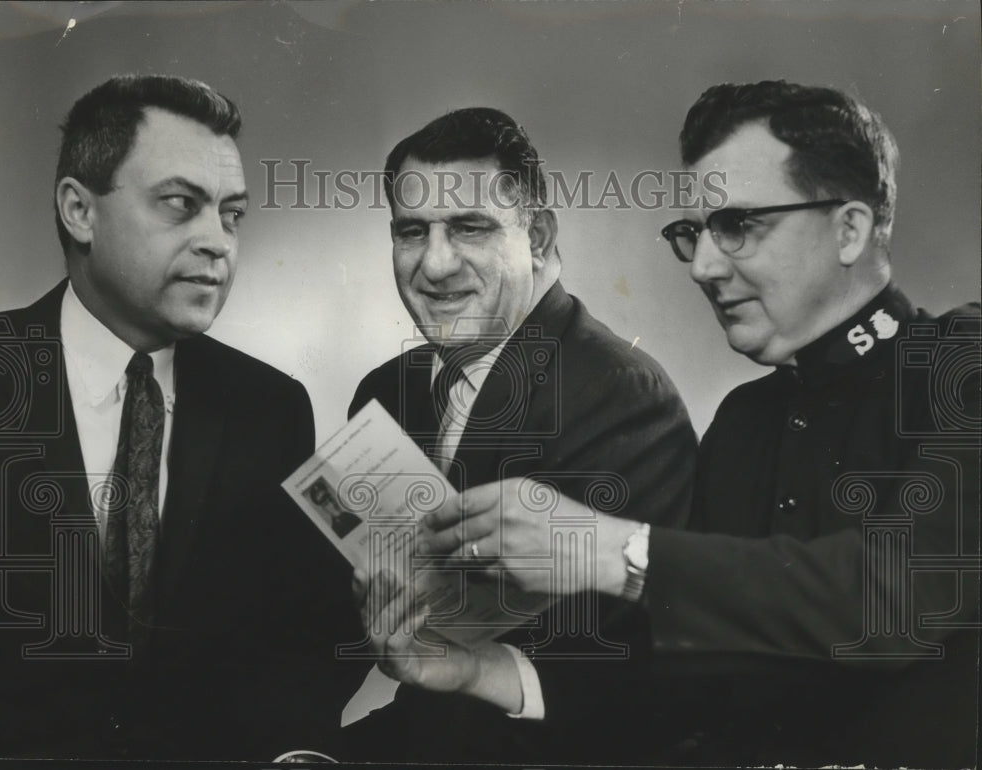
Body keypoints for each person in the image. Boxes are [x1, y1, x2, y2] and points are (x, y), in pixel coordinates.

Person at [390, 82, 981, 766]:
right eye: (693, 232)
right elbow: (673, 698)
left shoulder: (961, 364)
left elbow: (897, 598)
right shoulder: (745, 421)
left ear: (848, 229)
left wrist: (611, 549)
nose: (702, 266)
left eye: (738, 226)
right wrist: (475, 670)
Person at [0, 75, 363, 760]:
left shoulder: (270, 408)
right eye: (181, 204)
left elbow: (300, 645)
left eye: (233, 214)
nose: (218, 241)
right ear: (79, 210)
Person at [343, 107, 698, 762]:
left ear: (537, 237)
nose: (435, 264)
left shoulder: (624, 400)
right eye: (411, 232)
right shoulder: (385, 392)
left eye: (469, 228)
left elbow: (617, 691)